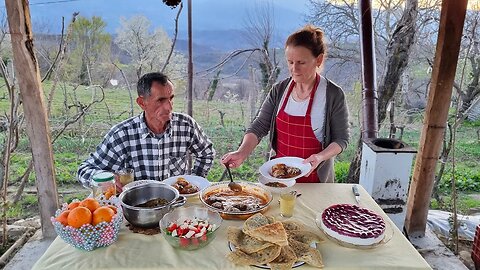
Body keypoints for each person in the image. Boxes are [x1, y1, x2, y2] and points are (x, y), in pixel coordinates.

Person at [221, 25, 349, 183]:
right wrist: (242, 152)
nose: (294, 69)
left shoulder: (332, 95)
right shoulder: (279, 90)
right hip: (279, 179)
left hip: (315, 181)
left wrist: (320, 156)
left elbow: (341, 139)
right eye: (290, 62)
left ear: (319, 59)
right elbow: (259, 126)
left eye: (301, 62)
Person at [78, 72, 215, 188]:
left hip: (178, 206)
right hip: (139, 209)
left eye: (171, 98)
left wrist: (194, 182)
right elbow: (84, 170)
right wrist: (105, 180)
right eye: (161, 100)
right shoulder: (122, 135)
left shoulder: (185, 126)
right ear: (142, 103)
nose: (169, 107)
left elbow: (207, 153)